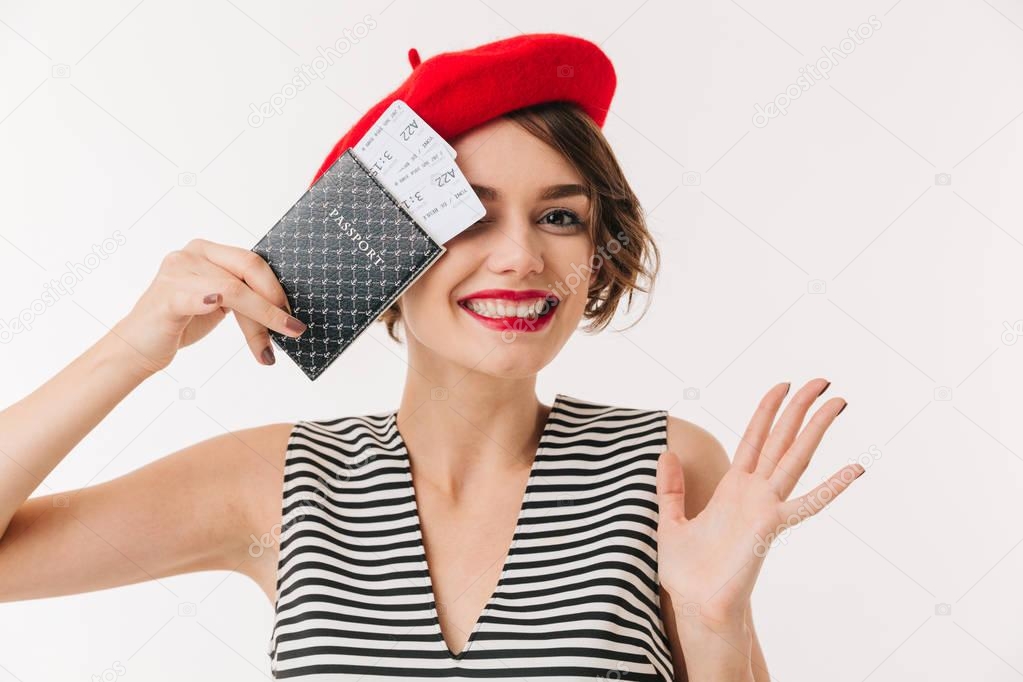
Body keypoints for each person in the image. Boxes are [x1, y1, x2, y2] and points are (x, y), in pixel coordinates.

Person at [0, 33, 862, 681]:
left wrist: (715, 623)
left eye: (559, 216)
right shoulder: (273, 481)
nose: (521, 256)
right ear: (383, 251)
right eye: (468, 216)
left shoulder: (665, 469)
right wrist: (132, 347)